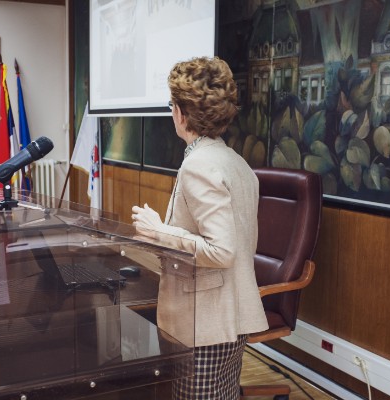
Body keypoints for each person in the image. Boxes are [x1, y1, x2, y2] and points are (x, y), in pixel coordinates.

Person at [131, 56, 268, 400]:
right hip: (228, 319)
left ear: (181, 113)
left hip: (204, 325)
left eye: (171, 105)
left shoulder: (199, 165)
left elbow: (221, 251)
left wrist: (158, 230)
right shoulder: (238, 163)